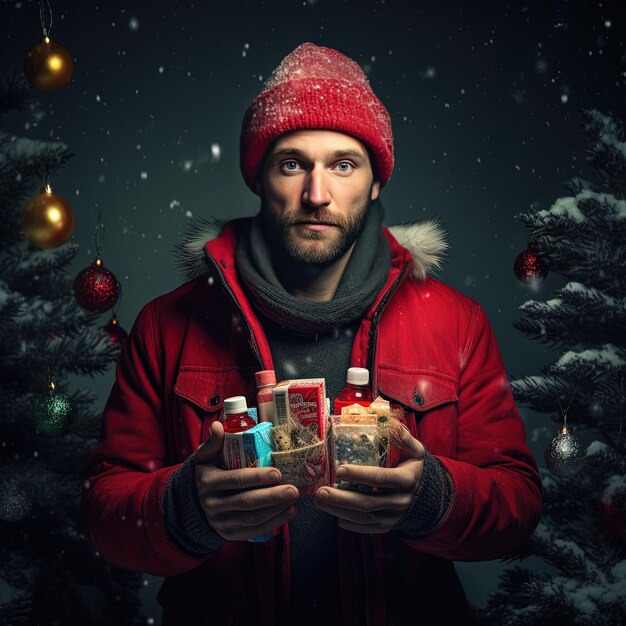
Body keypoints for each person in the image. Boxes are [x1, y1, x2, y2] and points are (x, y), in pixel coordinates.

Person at [80, 42, 542, 626]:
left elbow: (518, 504)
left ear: (376, 182)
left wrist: (433, 497)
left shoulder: (456, 323)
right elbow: (103, 510)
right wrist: (185, 508)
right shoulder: (168, 324)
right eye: (292, 163)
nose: (317, 195)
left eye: (343, 165)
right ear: (260, 178)